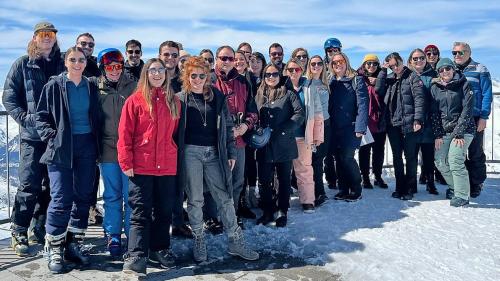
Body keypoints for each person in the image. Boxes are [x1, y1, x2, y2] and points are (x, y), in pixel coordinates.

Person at [177, 56, 259, 262]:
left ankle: (235, 241)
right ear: (187, 76)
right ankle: (199, 239)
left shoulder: (217, 96)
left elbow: (229, 127)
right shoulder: (179, 99)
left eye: (201, 75)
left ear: (208, 76)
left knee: (224, 197)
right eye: (193, 75)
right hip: (190, 153)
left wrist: (231, 152)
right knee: (195, 199)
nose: (197, 79)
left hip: (215, 152)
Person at [35, 46, 101, 273]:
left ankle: (74, 243)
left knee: (83, 196)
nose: (77, 63)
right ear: (66, 62)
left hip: (87, 145)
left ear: (86, 62)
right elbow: (41, 115)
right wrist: (51, 137)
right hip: (62, 146)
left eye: (81, 60)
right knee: (61, 197)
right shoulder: (54, 85)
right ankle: (54, 247)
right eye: (72, 59)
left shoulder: (90, 85)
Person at [2, 21, 65, 256]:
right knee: (29, 184)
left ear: (55, 38)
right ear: (35, 37)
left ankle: (38, 226)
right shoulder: (23, 64)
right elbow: (9, 97)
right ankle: (19, 231)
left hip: (56, 136)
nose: (47, 38)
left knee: (52, 185)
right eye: (43, 34)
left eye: (51, 34)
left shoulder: (62, 62)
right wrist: (25, 119)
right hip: (32, 137)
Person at [118, 58, 181, 276]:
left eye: (160, 70)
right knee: (140, 211)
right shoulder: (134, 101)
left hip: (167, 166)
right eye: (152, 70)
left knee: (164, 211)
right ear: (146, 74)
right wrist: (126, 161)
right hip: (141, 165)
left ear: (166, 74)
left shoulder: (174, 101)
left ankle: (159, 249)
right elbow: (124, 133)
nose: (157, 74)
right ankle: (136, 255)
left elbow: (176, 135)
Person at [96, 48, 136, 257]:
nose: (114, 71)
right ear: (103, 68)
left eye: (118, 66)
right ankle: (113, 235)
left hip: (129, 150)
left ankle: (132, 234)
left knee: (130, 195)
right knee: (112, 195)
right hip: (108, 148)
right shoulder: (96, 88)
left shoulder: (133, 86)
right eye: (110, 67)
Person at [212, 46, 258, 226]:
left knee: (238, 180)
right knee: (216, 182)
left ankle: (232, 215)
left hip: (238, 140)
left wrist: (246, 126)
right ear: (217, 59)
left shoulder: (243, 82)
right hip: (215, 141)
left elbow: (252, 110)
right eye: (223, 58)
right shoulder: (208, 80)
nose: (227, 62)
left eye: (230, 59)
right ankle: (215, 216)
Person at [255, 63, 305, 227]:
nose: (271, 77)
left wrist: (285, 129)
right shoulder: (259, 94)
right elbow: (253, 115)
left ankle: (283, 210)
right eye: (267, 74)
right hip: (265, 145)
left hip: (284, 144)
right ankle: (268, 211)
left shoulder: (289, 93)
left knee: (284, 180)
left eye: (274, 74)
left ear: (280, 75)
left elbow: (299, 114)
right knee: (264, 180)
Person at [158, 40, 192, 238]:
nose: (170, 58)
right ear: (160, 55)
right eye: (166, 55)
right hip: (157, 138)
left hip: (180, 138)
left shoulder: (184, 81)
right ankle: (161, 224)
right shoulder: (153, 77)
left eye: (174, 55)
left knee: (178, 182)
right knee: (159, 185)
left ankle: (177, 222)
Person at [431, 58, 476, 207]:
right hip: (444, 130)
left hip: (463, 130)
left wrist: (459, 133)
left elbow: (467, 110)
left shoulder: (464, 85)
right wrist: (438, 134)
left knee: (455, 159)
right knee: (440, 160)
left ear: (453, 69)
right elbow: (434, 113)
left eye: (447, 68)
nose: (445, 72)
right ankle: (454, 187)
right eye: (441, 70)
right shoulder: (435, 87)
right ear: (438, 72)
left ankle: (462, 195)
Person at [381, 52, 425, 200]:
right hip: (393, 123)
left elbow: (419, 99)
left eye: (396, 64)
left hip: (409, 123)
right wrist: (383, 70)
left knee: (410, 156)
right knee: (396, 157)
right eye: (392, 66)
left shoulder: (412, 77)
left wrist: (418, 120)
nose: (395, 68)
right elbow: (378, 90)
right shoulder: (390, 78)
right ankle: (400, 187)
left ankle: (410, 188)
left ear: (401, 61)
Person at [453, 42, 492, 198]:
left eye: (460, 53)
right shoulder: (452, 69)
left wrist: (483, 117)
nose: (457, 56)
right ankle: (464, 183)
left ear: (469, 53)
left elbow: (487, 94)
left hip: (475, 117)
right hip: (457, 118)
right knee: (459, 152)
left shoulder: (480, 69)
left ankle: (476, 183)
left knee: (475, 152)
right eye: (454, 53)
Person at [328, 52, 368, 202]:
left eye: (341, 61)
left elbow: (363, 105)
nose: (338, 64)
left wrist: (360, 127)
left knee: (347, 158)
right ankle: (343, 189)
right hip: (334, 127)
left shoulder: (356, 80)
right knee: (338, 158)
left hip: (350, 127)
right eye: (334, 62)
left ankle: (356, 189)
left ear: (346, 62)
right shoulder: (331, 81)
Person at [287, 58, 324, 212]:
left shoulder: (308, 87)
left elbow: (317, 112)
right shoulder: (282, 86)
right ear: (286, 72)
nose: (294, 72)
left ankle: (308, 200)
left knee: (304, 168)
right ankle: (280, 199)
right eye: (290, 70)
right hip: (285, 136)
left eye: (297, 69)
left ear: (301, 70)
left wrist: (318, 135)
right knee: (281, 170)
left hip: (303, 134)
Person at [407, 49, 438, 195]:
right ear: (410, 61)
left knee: (428, 155)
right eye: (415, 58)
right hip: (412, 122)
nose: (418, 61)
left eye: (421, 58)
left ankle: (430, 183)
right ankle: (412, 184)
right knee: (412, 155)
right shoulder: (406, 75)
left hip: (429, 121)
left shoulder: (434, 75)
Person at [356, 54, 388, 190]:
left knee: (379, 151)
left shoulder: (383, 79)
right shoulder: (359, 79)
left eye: (374, 63)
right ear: (364, 65)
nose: (371, 66)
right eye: (368, 63)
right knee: (364, 151)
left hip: (379, 121)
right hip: (365, 122)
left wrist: (379, 80)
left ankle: (378, 176)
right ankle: (365, 177)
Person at [305, 55, 331, 206]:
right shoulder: (306, 83)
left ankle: (320, 191)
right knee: (312, 161)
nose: (316, 66)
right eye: (313, 63)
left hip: (325, 125)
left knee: (319, 159)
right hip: (312, 125)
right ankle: (314, 192)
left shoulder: (325, 83)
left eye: (319, 63)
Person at [323, 38, 342, 188]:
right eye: (330, 51)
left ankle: (342, 177)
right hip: (326, 114)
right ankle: (331, 178)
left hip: (341, 114)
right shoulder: (321, 67)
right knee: (328, 151)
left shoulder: (344, 66)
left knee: (341, 150)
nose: (333, 53)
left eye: (336, 50)